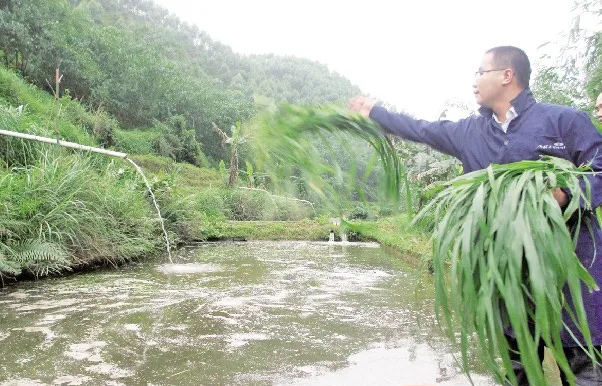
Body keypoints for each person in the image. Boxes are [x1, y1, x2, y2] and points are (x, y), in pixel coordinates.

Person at [349, 46, 602, 385]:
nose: (474, 82)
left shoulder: (564, 121)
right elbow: (420, 129)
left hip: (571, 273)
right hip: (510, 279)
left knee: (585, 371)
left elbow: (599, 169)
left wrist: (564, 194)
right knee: (518, 369)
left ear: (506, 76)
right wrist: (375, 113)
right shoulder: (469, 132)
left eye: (480, 72)